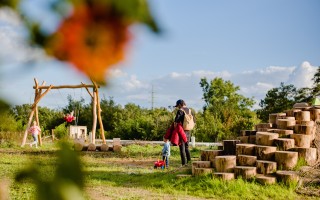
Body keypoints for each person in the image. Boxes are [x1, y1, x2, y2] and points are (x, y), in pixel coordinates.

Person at [174, 99, 195, 165]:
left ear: (180, 104)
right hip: (189, 131)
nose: (177, 107)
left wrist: (175, 130)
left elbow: (176, 122)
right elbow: (194, 121)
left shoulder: (180, 111)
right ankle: (189, 161)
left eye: (178, 106)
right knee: (186, 147)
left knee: (182, 148)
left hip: (182, 131)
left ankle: (184, 163)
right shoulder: (190, 110)